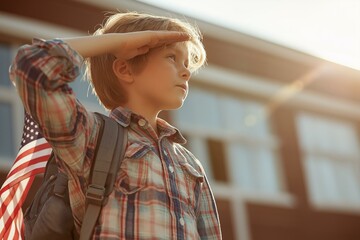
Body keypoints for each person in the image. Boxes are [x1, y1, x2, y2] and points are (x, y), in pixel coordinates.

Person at [10, 12, 222, 239]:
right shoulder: (92, 137)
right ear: (124, 69)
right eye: (171, 57)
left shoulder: (191, 165)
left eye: (187, 63)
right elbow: (31, 67)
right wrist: (115, 43)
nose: (186, 72)